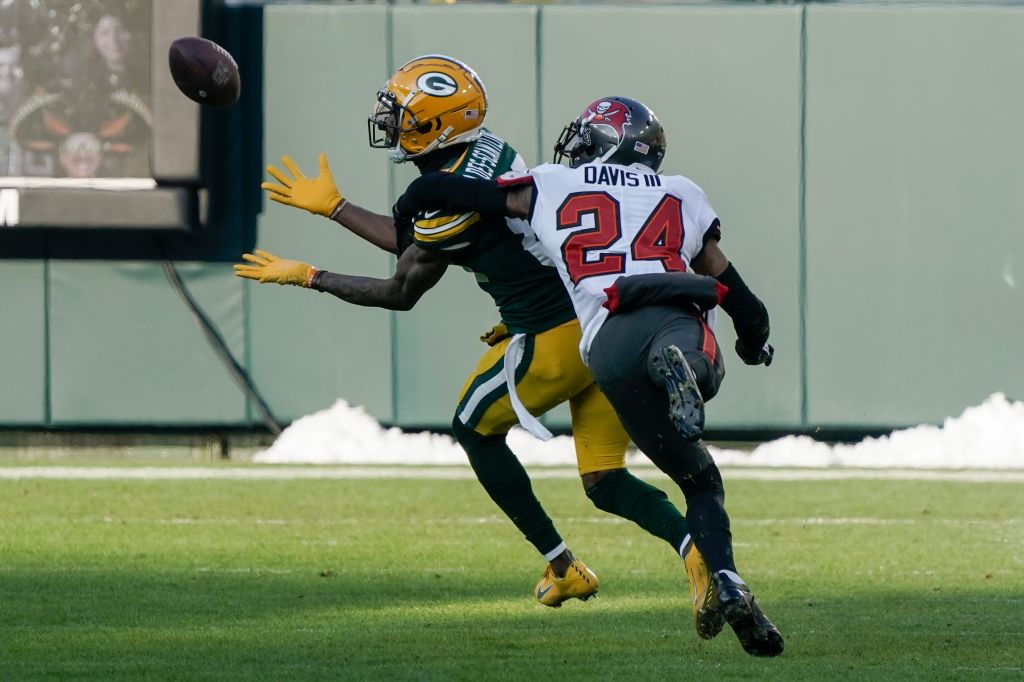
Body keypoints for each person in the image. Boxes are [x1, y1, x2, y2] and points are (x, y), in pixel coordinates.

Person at [240, 56, 724, 639]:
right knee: (604, 480)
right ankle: (695, 551)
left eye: (401, 116)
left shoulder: (450, 196)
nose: (389, 124)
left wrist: (313, 268)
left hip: (554, 341)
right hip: (601, 328)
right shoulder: (488, 151)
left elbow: (403, 284)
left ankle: (563, 565)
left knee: (472, 428)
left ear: (437, 125)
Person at [385, 96, 784, 657]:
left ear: (605, 142)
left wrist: (410, 203)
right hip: (671, 314)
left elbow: (461, 197)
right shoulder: (681, 191)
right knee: (700, 433)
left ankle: (724, 580)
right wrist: (753, 340)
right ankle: (687, 375)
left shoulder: (550, 185)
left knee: (660, 478)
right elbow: (744, 300)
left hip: (603, 339)